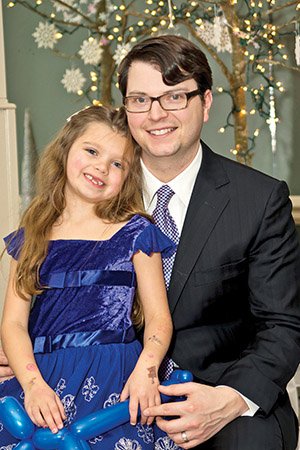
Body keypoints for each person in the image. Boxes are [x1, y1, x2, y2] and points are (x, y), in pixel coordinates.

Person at [115, 35, 300, 449]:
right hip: (114, 391)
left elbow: (283, 326)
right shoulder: (96, 196)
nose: (156, 114)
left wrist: (229, 400)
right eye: (140, 99)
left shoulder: (259, 199)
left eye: (174, 97)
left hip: (222, 391)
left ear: (206, 101)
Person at [0, 105, 176, 449]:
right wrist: (33, 385)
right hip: (42, 381)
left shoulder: (138, 233)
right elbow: (13, 324)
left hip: (114, 379)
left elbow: (158, 318)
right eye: (92, 151)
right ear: (66, 149)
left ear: (128, 177)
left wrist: (148, 370)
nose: (102, 167)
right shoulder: (31, 236)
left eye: (117, 164)